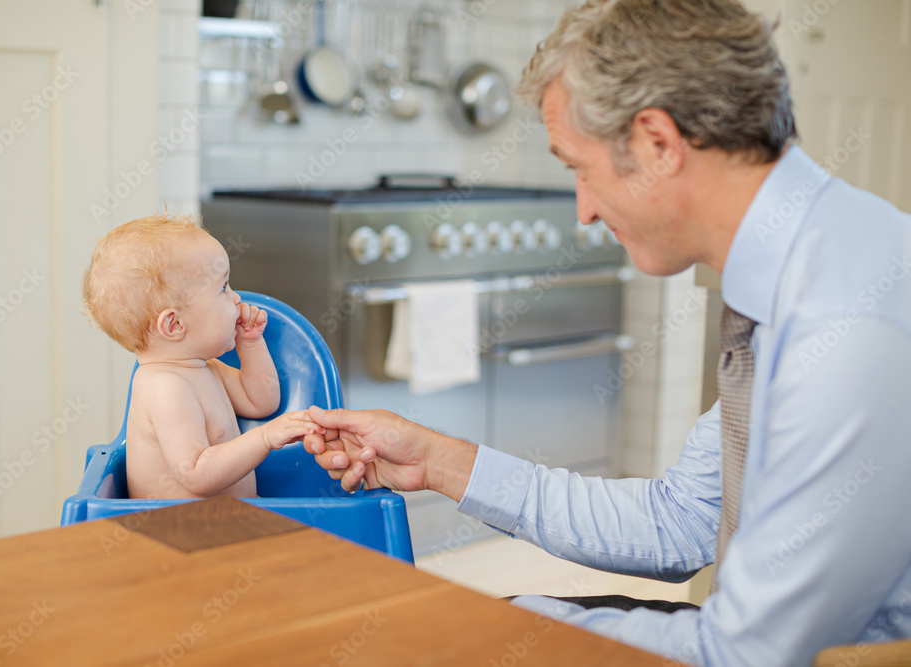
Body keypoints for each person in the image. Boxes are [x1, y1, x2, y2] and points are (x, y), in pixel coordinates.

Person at [303, 1, 911, 665]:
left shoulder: (845, 327)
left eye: (579, 168)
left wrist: (496, 623)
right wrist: (437, 460)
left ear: (657, 142)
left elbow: (745, 656)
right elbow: (681, 521)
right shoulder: (807, 258)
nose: (585, 210)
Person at [83, 215, 323, 499]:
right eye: (223, 288)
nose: (236, 299)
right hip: (180, 533)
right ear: (174, 325)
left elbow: (262, 402)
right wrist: (264, 438)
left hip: (225, 524)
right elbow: (195, 472)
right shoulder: (165, 388)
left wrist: (251, 344)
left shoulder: (205, 368)